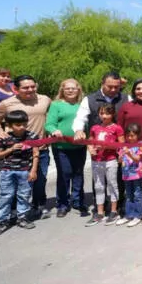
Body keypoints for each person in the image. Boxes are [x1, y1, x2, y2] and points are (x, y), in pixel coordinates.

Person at [0, 75, 52, 219]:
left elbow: (53, 116)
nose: (30, 90)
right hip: (15, 152)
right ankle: (13, 210)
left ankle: (39, 206)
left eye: (32, 86)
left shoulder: (45, 99)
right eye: (25, 87)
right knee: (15, 184)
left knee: (39, 181)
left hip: (40, 149)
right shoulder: (7, 104)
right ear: (16, 88)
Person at [73, 72, 127, 211]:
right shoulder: (89, 99)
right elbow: (80, 118)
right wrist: (78, 130)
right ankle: (100, 208)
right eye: (110, 87)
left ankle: (118, 206)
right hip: (99, 151)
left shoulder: (125, 98)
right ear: (102, 84)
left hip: (119, 147)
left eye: (117, 86)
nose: (114, 90)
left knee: (119, 177)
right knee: (99, 181)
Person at [0, 110, 39, 237]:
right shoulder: (5, 138)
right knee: (6, 196)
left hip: (24, 171)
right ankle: (3, 221)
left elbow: (35, 154)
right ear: (10, 125)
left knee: (24, 195)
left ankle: (22, 217)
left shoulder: (32, 136)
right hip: (7, 171)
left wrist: (33, 170)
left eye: (24, 124)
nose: (22, 127)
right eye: (18, 124)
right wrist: (10, 149)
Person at [45, 79, 87, 217]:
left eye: (73, 88)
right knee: (64, 174)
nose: (70, 91)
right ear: (62, 90)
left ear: (78, 90)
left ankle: (78, 201)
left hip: (79, 146)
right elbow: (49, 124)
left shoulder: (82, 105)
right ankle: (62, 203)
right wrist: (54, 130)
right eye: (67, 88)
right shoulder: (56, 105)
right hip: (61, 146)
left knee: (78, 174)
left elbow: (86, 123)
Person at [85, 104, 124, 227]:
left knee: (112, 184)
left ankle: (113, 210)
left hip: (110, 160)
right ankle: (100, 212)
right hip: (97, 161)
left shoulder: (117, 128)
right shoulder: (95, 128)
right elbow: (90, 140)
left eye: (107, 113)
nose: (104, 116)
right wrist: (90, 149)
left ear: (112, 114)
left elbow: (121, 144)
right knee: (99, 186)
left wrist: (109, 147)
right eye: (102, 113)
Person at [117, 123, 142, 227]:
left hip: (136, 174)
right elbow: (120, 160)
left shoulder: (139, 146)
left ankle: (139, 215)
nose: (129, 138)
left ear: (137, 136)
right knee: (128, 195)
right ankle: (129, 215)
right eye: (128, 135)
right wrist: (120, 157)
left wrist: (129, 154)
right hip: (126, 175)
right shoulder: (123, 146)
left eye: (132, 135)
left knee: (137, 194)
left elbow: (138, 159)